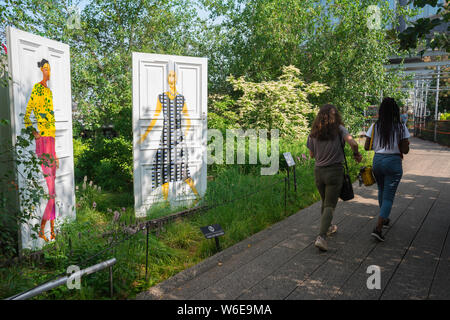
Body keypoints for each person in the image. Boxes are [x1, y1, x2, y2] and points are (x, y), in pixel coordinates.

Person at [139, 70, 200, 205]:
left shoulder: (181, 98)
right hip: (165, 138)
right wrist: (144, 135)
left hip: (177, 139)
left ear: (176, 78)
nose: (171, 77)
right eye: (169, 75)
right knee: (163, 169)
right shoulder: (161, 97)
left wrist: (183, 134)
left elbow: (188, 120)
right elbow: (155, 117)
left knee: (182, 169)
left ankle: (196, 196)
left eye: (173, 75)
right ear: (167, 78)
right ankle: (166, 202)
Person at [307, 104, 362, 251]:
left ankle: (329, 227)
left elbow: (312, 155)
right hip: (334, 172)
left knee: (325, 202)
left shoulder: (314, 132)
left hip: (319, 171)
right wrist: (356, 154)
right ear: (335, 115)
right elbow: (353, 143)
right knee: (330, 205)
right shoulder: (339, 129)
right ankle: (321, 237)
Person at [365, 97, 410, 242]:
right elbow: (405, 150)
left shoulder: (375, 127)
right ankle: (378, 227)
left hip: (377, 161)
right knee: (389, 197)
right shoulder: (401, 127)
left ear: (381, 111)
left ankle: (383, 218)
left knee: (381, 190)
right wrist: (402, 143)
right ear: (395, 111)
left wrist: (380, 146)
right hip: (393, 163)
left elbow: (367, 146)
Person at [24, 59, 59, 242]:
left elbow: (51, 122)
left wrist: (56, 153)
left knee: (54, 191)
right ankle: (43, 230)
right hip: (43, 142)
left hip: (51, 142)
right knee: (51, 191)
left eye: (49, 68)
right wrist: (34, 132)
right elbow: (27, 114)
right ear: (40, 70)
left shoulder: (49, 92)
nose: (48, 71)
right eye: (45, 69)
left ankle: (51, 231)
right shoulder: (37, 89)